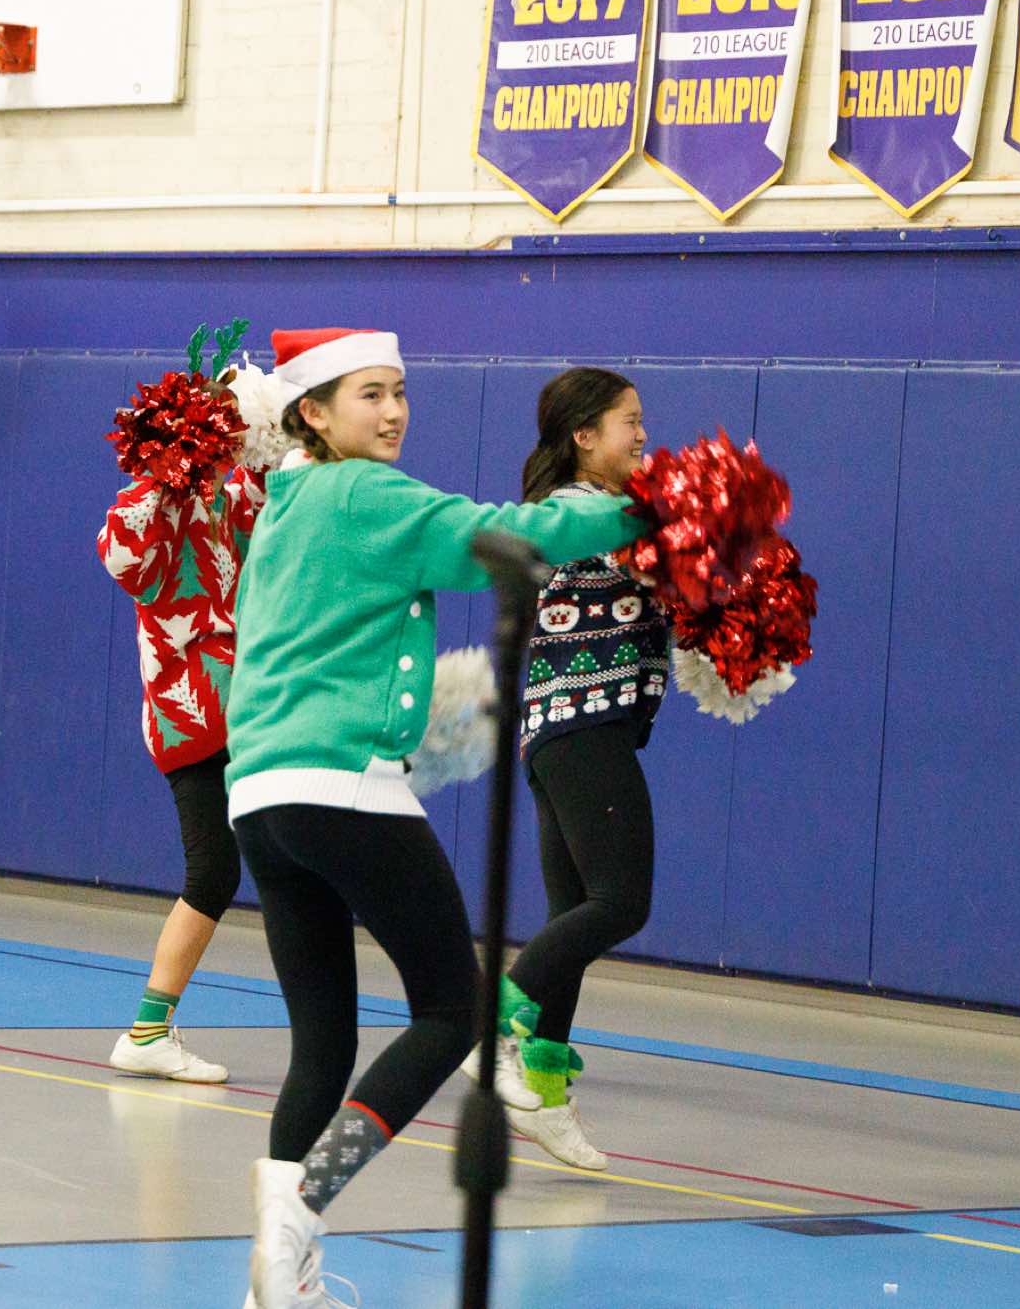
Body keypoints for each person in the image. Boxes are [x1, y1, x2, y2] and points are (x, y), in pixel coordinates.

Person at [224, 329, 646, 1308]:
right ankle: (300, 1209)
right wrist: (641, 509)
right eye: (368, 394)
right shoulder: (362, 493)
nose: (393, 412)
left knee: (321, 1046)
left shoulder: (284, 501)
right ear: (312, 413)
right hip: (341, 784)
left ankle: (280, 1277)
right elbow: (501, 537)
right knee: (454, 1010)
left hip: (261, 798)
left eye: (400, 392)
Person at [467, 366, 667, 1172]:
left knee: (575, 911)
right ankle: (493, 1029)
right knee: (621, 901)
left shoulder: (605, 507)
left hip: (567, 730)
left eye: (642, 419)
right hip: (581, 725)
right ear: (584, 436)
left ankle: (545, 1089)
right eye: (628, 421)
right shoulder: (586, 511)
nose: (643, 434)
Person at [97, 442, 264, 1083]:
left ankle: (149, 1029)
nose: (229, 453)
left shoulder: (235, 497)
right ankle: (146, 1031)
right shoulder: (159, 506)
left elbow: (269, 506)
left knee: (263, 860)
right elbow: (121, 556)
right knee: (215, 870)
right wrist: (161, 480)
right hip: (192, 714)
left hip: (248, 706)